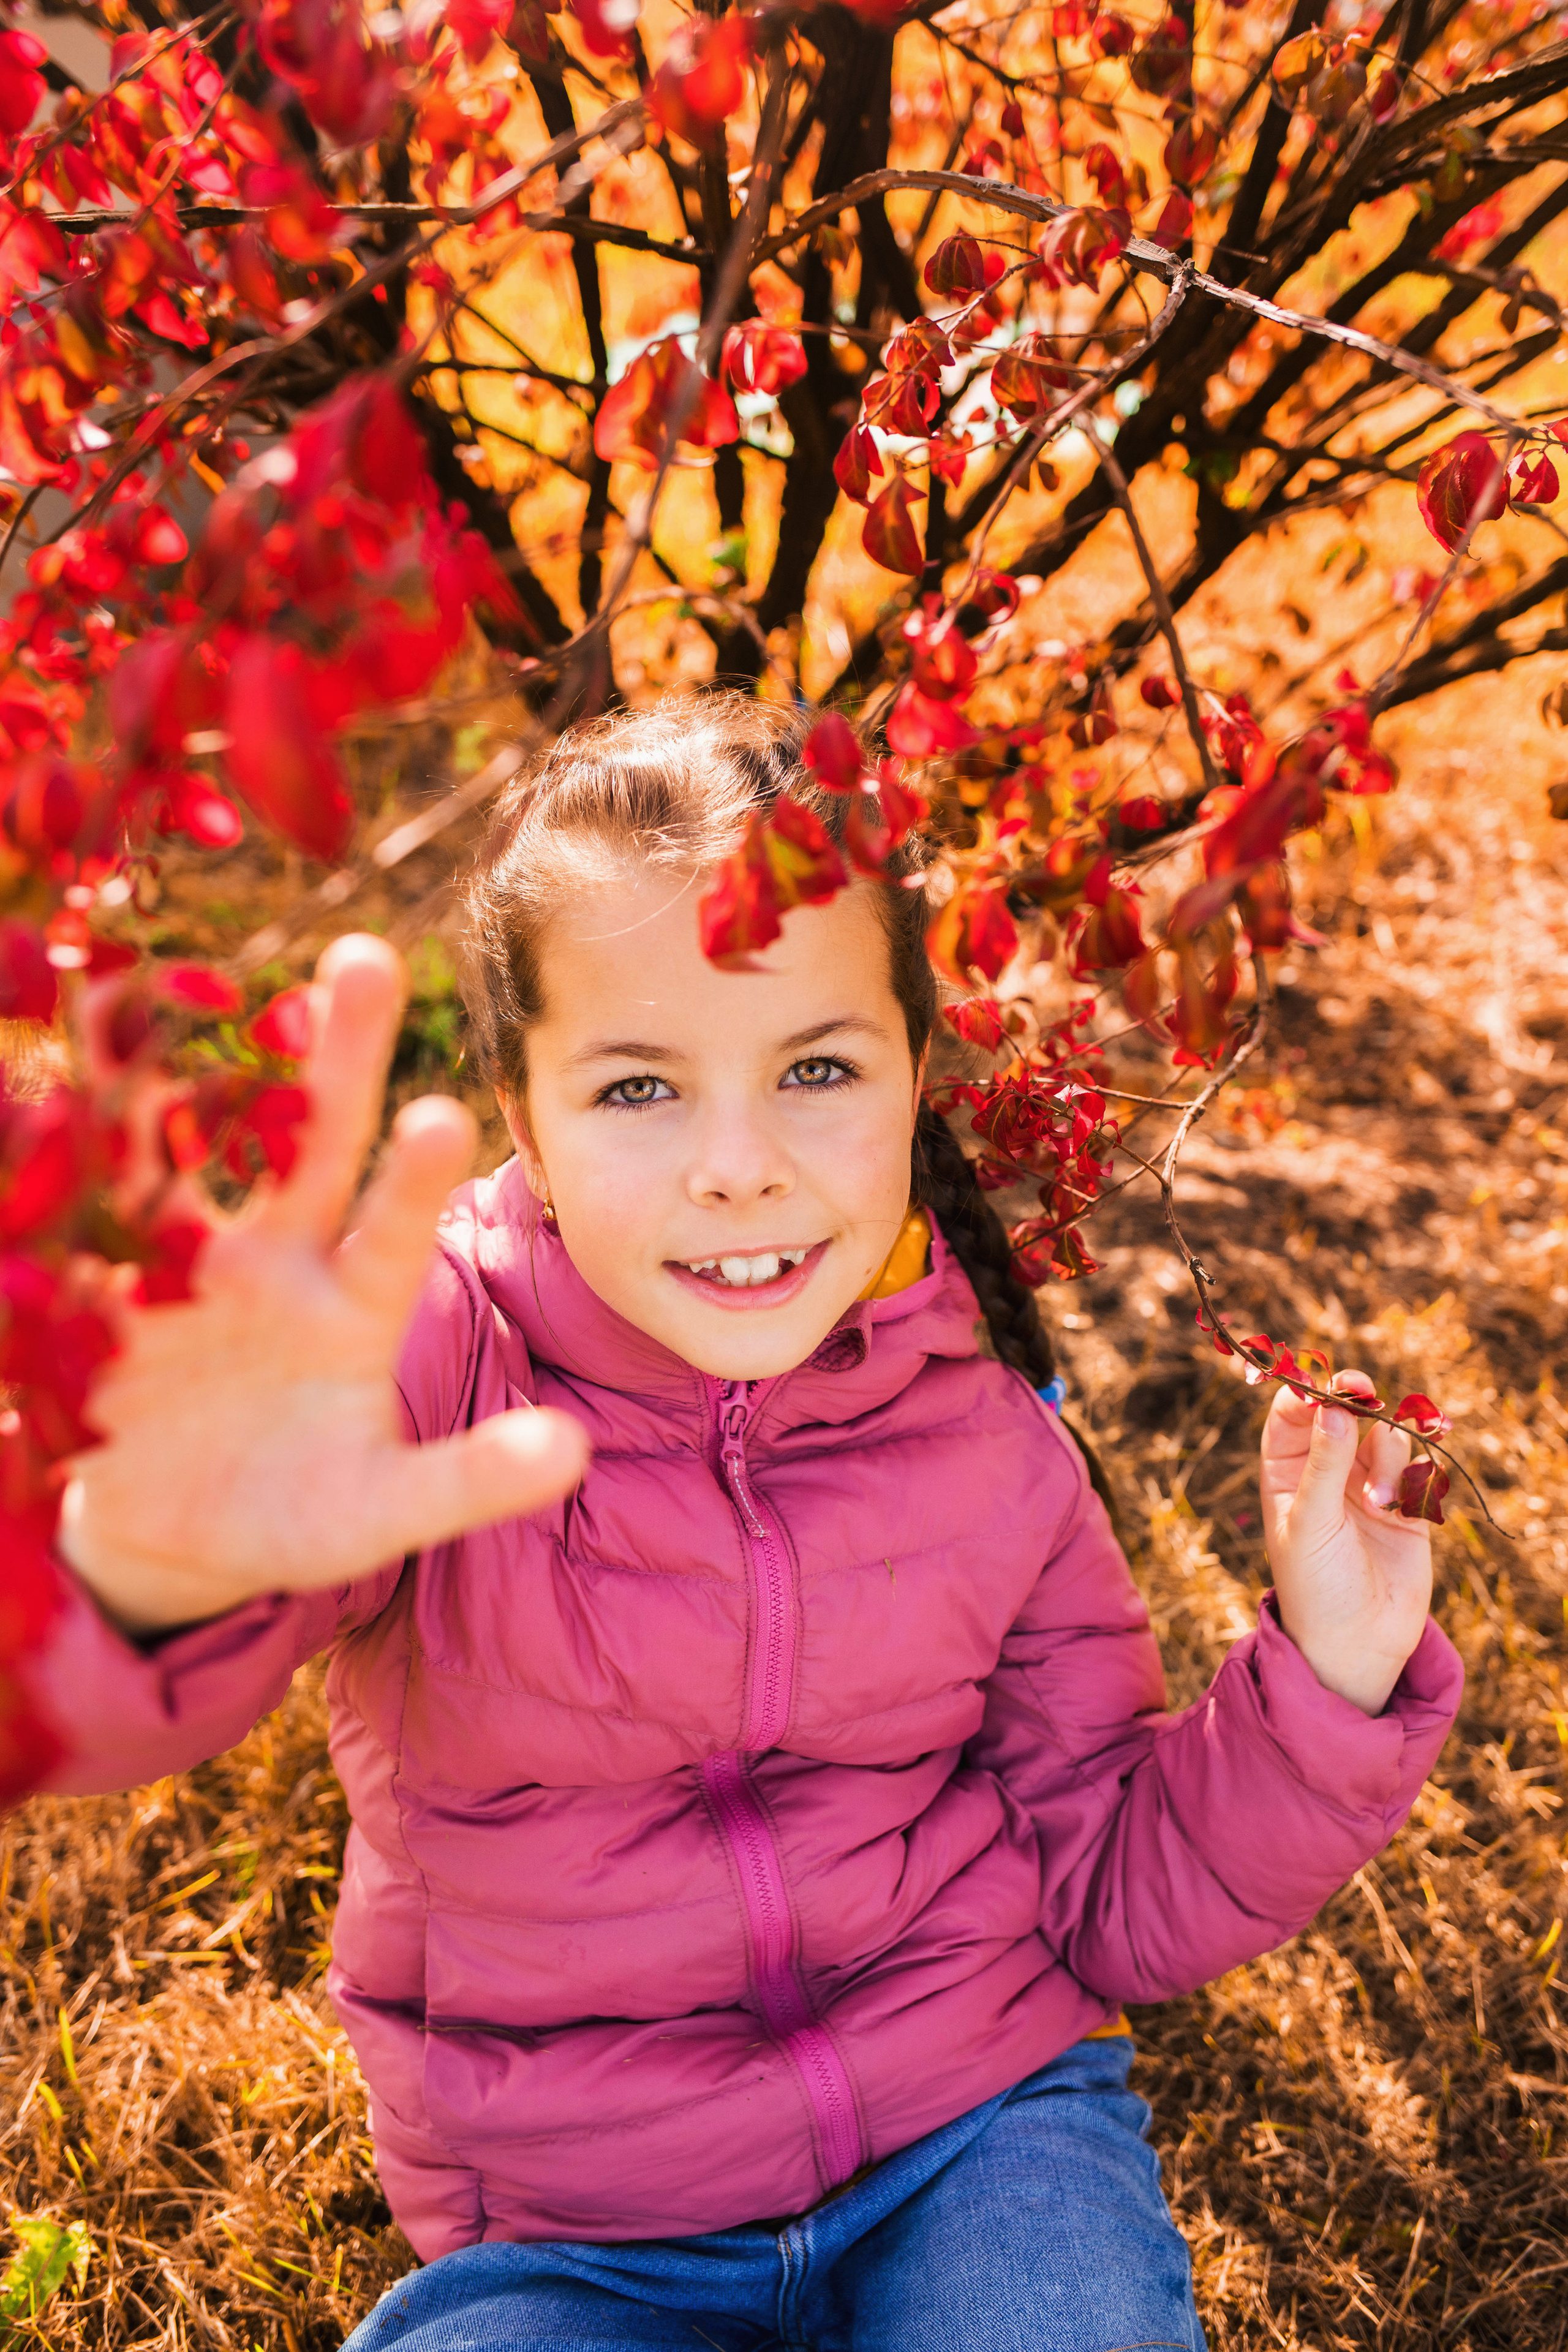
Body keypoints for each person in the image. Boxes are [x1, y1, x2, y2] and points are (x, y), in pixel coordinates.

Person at [39, 696, 1461, 2352]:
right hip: (577, 2226)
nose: (739, 1165)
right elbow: (130, 1666)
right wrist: (138, 1579)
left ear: (914, 1075)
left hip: (976, 2131)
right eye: (639, 1086)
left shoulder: (990, 1446)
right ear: (526, 1124)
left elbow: (1110, 1896)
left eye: (817, 1069)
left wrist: (1329, 1688)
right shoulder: (434, 1372)